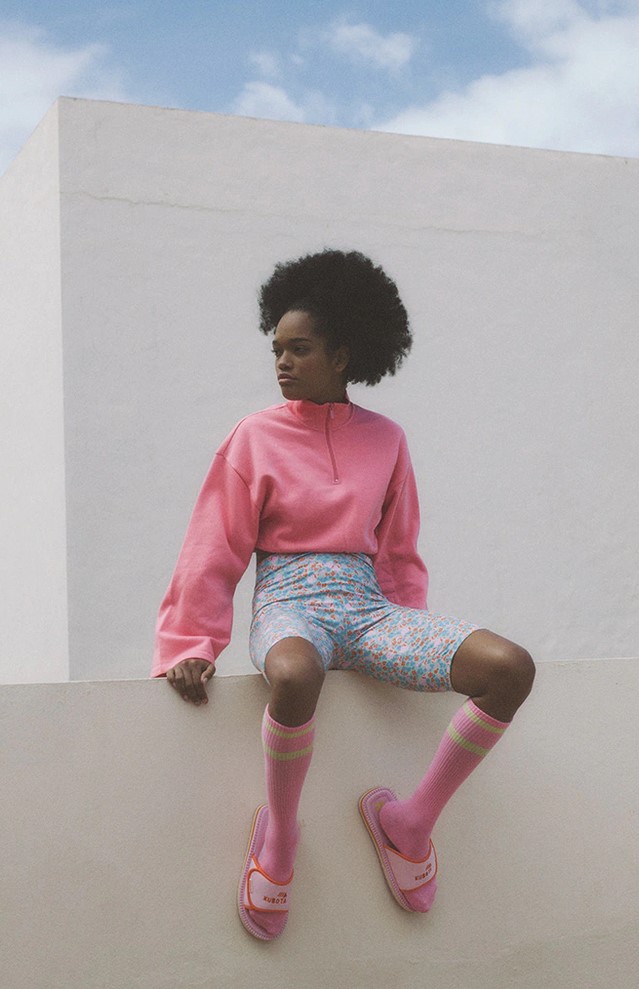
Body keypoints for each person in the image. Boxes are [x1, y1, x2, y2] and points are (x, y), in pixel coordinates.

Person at [152, 249, 535, 940]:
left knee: (510, 667)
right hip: (288, 604)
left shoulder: (387, 440)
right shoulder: (254, 436)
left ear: (343, 353)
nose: (282, 362)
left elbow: (398, 549)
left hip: (370, 611)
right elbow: (214, 545)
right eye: (277, 348)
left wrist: (408, 642)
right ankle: (279, 838)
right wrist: (190, 643)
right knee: (295, 675)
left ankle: (409, 823)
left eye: (299, 349)